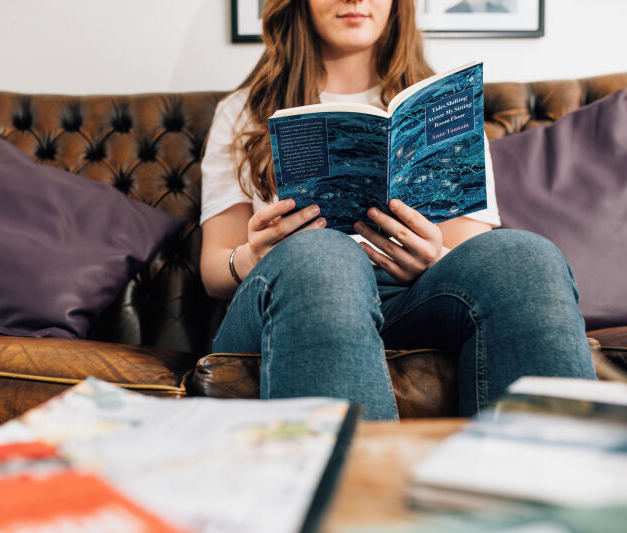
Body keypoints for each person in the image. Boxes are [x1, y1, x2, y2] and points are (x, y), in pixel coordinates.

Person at [199, 0, 595, 420]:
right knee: (326, 255)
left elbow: (474, 258)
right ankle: (349, 482)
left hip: (410, 297)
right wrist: (251, 256)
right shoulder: (241, 112)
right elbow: (212, 271)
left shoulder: (447, 110)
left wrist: (430, 258)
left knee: (524, 258)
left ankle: (547, 479)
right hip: (293, 288)